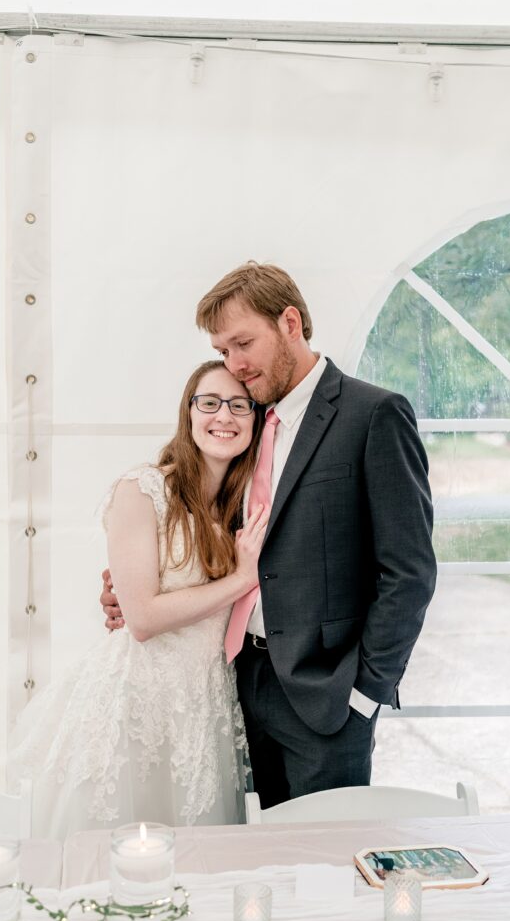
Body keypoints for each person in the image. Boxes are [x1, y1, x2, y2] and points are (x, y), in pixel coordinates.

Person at [102, 262, 437, 810]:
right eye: (222, 349)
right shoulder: (244, 422)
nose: (233, 364)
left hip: (326, 699)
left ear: (289, 322)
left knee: (324, 869)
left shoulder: (373, 415)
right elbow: (203, 529)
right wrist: (132, 584)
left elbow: (410, 573)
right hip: (231, 685)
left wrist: (364, 692)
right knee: (253, 868)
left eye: (242, 343)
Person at [11, 360, 267, 837]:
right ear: (188, 413)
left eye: (239, 406)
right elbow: (144, 617)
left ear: (256, 418)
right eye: (209, 403)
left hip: (205, 702)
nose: (224, 417)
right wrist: (239, 578)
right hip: (137, 702)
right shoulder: (144, 490)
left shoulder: (241, 504)